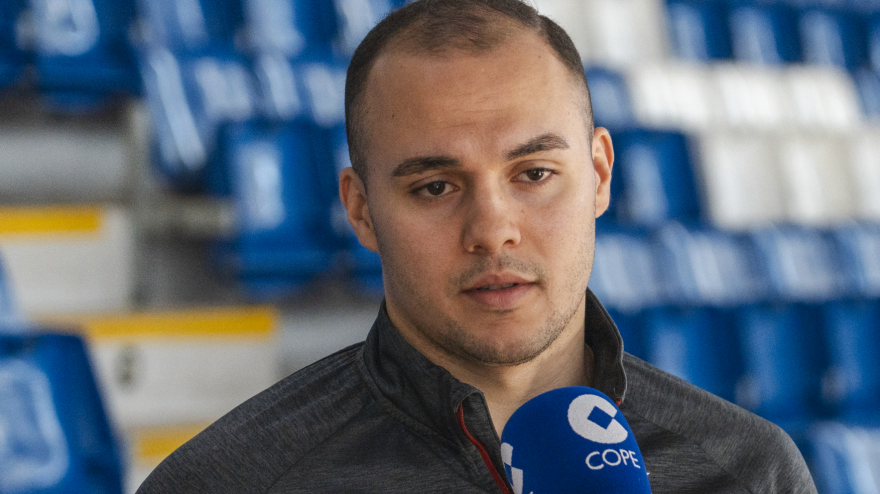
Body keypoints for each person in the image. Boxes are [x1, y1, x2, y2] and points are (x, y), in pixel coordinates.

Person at [138, 0, 817, 492]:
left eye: (534, 174)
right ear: (361, 210)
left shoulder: (748, 470)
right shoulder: (226, 483)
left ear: (600, 175)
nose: (493, 230)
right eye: (435, 187)